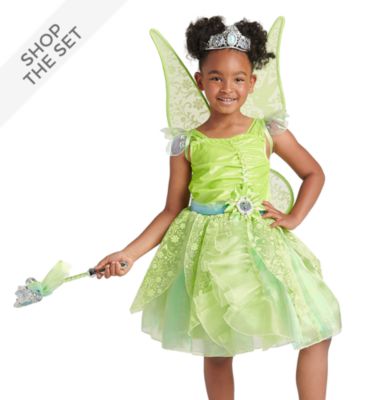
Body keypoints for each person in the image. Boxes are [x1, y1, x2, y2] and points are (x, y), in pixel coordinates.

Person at [94, 16, 342, 400]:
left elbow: (313, 173)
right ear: (200, 81)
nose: (227, 88)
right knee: (217, 346)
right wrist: (128, 254)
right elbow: (171, 210)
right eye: (216, 78)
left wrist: (293, 218)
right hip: (211, 256)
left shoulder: (269, 131)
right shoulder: (187, 143)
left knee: (317, 330)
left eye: (238, 79)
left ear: (252, 83)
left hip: (262, 249)